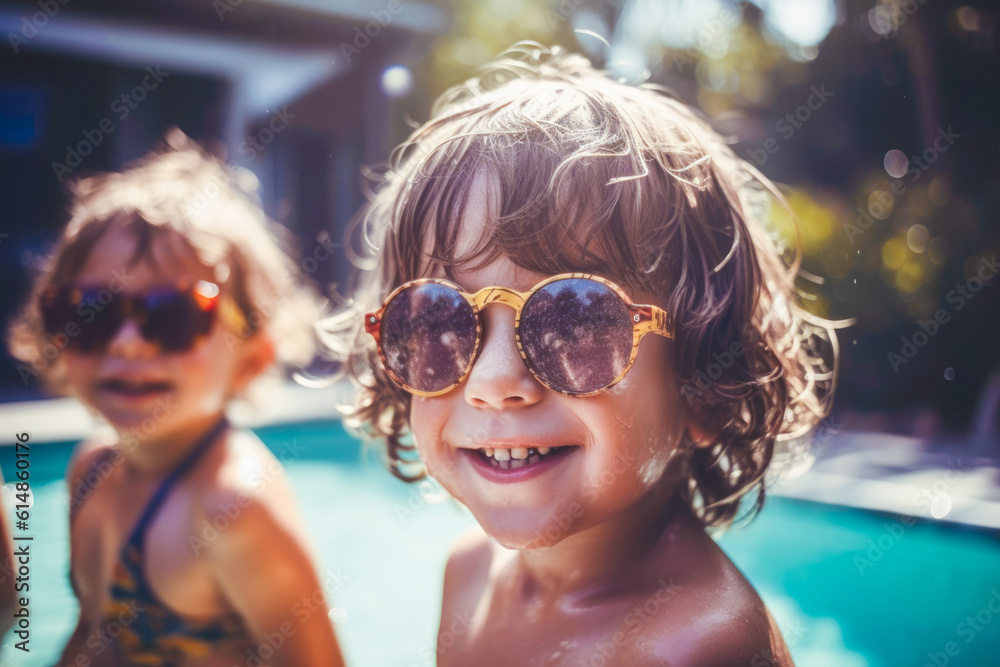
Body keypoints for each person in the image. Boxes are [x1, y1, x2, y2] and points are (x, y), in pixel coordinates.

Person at [327, 43, 837, 666]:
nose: (491, 382)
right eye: (438, 320)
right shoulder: (467, 577)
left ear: (704, 378)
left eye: (571, 320)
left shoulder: (690, 647)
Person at [7, 130, 345, 666]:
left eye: (173, 313)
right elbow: (92, 635)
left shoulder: (233, 508)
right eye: (90, 310)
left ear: (252, 354)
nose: (127, 343)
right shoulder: (91, 468)